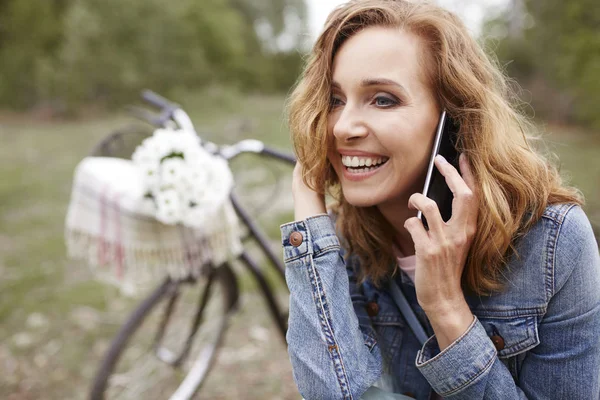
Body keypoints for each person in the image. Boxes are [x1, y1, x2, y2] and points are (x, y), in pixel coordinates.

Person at [280, 1, 600, 399]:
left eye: (383, 99)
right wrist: (308, 211)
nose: (343, 128)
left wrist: (446, 307)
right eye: (333, 100)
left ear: (454, 117)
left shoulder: (553, 244)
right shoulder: (343, 245)